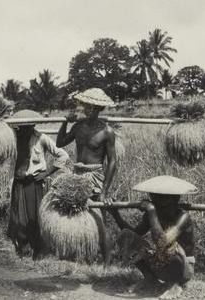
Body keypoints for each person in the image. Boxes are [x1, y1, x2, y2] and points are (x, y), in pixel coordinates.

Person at [108, 176, 197, 299]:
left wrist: (151, 211)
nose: (159, 201)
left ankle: (175, 285)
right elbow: (132, 235)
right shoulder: (153, 214)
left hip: (182, 269)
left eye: (164, 198)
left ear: (175, 199)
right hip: (160, 265)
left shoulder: (183, 217)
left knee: (170, 246)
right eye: (156, 197)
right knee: (126, 235)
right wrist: (115, 214)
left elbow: (163, 241)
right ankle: (150, 278)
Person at [56, 88, 117, 263]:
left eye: (93, 107)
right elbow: (60, 143)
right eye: (86, 107)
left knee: (99, 218)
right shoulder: (78, 127)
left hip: (94, 175)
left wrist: (105, 190)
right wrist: (65, 123)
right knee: (75, 214)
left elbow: (112, 161)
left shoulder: (106, 132)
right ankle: (78, 256)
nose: (88, 110)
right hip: (77, 173)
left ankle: (107, 262)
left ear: (99, 109)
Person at [7, 110, 69, 260]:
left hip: (34, 183)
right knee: (18, 217)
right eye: (20, 127)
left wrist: (47, 173)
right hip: (19, 183)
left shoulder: (41, 138)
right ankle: (23, 248)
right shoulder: (12, 139)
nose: (23, 129)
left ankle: (40, 250)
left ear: (33, 125)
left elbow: (63, 155)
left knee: (36, 216)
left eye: (27, 126)